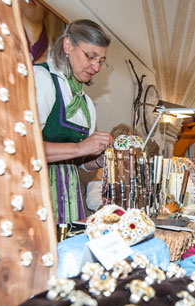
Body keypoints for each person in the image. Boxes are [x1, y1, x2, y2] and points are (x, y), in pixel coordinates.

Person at [34, 19, 113, 225]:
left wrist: (96, 161)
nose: (96, 67)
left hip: (69, 194)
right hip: (38, 190)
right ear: (68, 45)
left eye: (101, 61)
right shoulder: (42, 79)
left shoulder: (86, 102)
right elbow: (26, 149)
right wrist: (80, 147)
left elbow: (74, 162)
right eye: (90, 56)